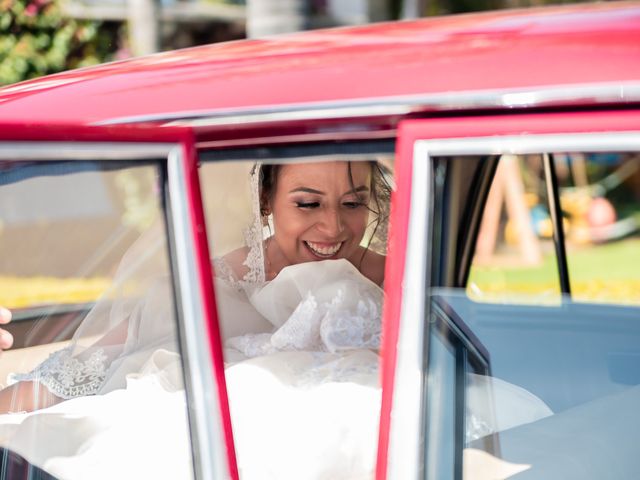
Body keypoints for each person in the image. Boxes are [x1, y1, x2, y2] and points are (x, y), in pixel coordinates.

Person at [0, 159, 392, 479]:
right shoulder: (210, 284)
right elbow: (86, 369)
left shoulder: (397, 280)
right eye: (308, 204)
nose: (334, 227)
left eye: (352, 204)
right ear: (266, 200)